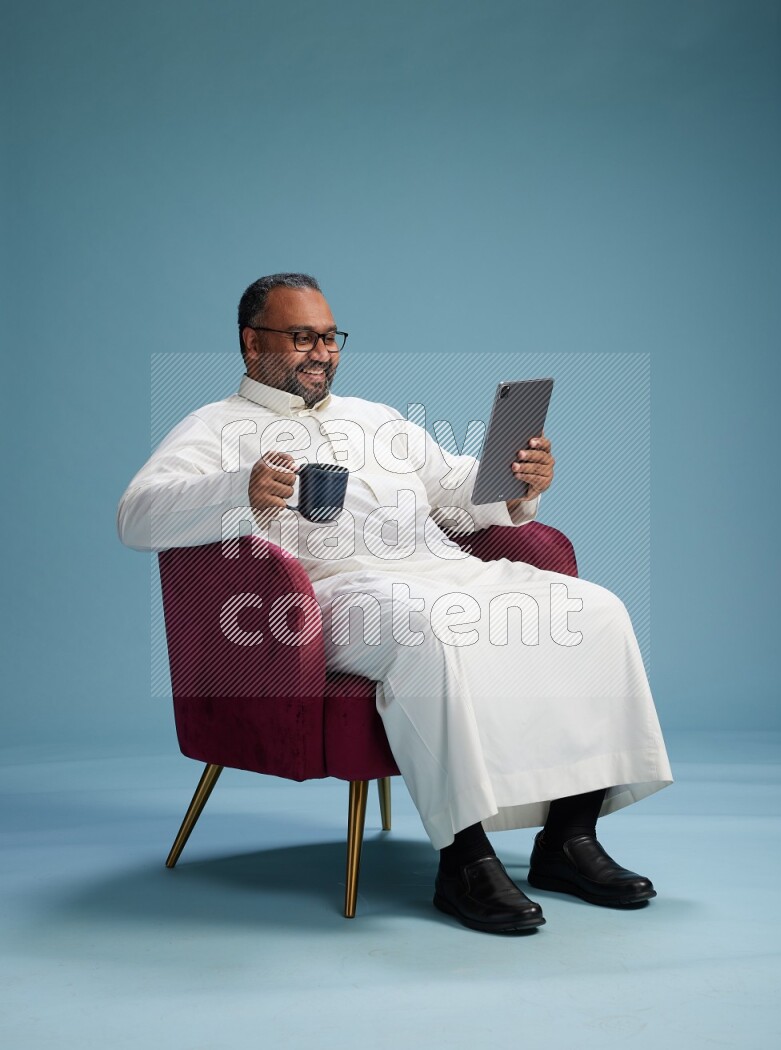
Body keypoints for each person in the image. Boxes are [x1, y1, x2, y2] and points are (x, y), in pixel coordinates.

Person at [118, 272, 673, 934]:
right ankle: (465, 860)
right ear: (250, 342)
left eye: (329, 337)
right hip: (329, 595)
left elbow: (458, 489)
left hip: (439, 569)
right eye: (302, 337)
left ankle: (569, 840)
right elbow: (136, 515)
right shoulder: (214, 427)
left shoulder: (376, 419)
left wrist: (518, 480)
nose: (322, 351)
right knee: (425, 632)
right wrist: (239, 490)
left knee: (593, 611)